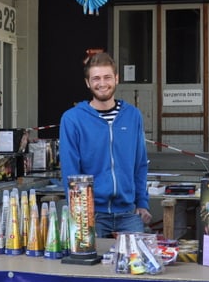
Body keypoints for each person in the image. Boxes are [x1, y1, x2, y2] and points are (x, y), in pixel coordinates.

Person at [59, 52, 151, 237]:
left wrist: (142, 203)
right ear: (87, 82)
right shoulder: (72, 119)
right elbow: (70, 171)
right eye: (96, 78)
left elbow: (139, 164)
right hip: (91, 214)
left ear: (116, 78)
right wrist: (78, 213)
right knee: (90, 264)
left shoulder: (133, 116)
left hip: (128, 213)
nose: (102, 83)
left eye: (107, 77)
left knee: (138, 263)